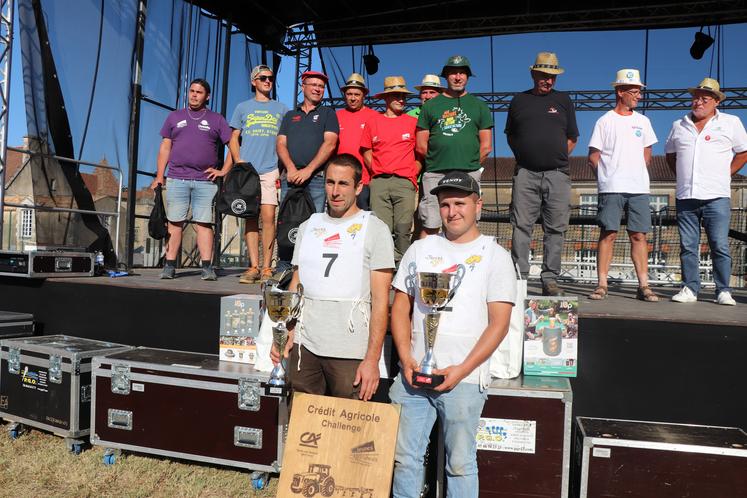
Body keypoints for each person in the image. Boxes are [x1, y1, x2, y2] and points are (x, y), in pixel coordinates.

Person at [389, 170, 516, 497]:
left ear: (478, 205)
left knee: (459, 463)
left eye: (460, 203)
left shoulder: (496, 256)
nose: (452, 211)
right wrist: (405, 359)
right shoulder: (420, 249)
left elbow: (498, 324)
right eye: (445, 204)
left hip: (465, 379)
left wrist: (462, 370)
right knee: (404, 458)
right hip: (414, 375)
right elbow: (400, 307)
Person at [271, 154, 395, 401]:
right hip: (306, 348)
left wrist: (372, 360)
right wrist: (286, 334)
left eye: (343, 184)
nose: (335, 191)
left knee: (349, 435)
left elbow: (381, 302)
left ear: (359, 187)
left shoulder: (375, 229)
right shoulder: (309, 226)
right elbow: (297, 286)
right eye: (330, 183)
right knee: (305, 430)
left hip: (350, 353)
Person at [665, 78, 747, 306]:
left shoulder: (731, 123)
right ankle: (690, 288)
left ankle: (723, 290)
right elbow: (671, 155)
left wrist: (726, 173)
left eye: (705, 98)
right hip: (686, 196)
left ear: (716, 102)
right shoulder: (678, 125)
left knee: (719, 244)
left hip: (717, 196)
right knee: (687, 246)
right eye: (696, 97)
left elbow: (743, 153)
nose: (698, 102)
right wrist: (682, 176)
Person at [505, 52, 579, 296]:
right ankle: (520, 278)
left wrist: (554, 157)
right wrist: (527, 157)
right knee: (521, 226)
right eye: (544, 76)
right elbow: (511, 136)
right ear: (533, 74)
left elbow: (572, 138)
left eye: (553, 77)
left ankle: (550, 279)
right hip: (526, 173)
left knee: (556, 228)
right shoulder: (518, 101)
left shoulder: (564, 101)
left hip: (557, 174)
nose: (548, 81)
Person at [587, 69, 659, 302]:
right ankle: (602, 284)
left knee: (639, 235)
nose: (638, 96)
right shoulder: (604, 120)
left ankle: (644, 286)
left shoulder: (643, 121)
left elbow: (648, 153)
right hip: (612, 187)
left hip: (639, 188)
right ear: (620, 92)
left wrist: (635, 172)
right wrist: (607, 177)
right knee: (608, 233)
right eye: (634, 92)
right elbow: (593, 155)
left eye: (639, 92)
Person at [151, 78, 232, 281]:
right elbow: (165, 147)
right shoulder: (174, 117)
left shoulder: (217, 119)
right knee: (174, 223)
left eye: (199, 92)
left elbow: (234, 146)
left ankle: (207, 267)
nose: (194, 95)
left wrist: (224, 171)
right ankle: (169, 265)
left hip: (205, 181)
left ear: (207, 96)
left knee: (204, 224)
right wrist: (160, 176)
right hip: (177, 178)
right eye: (192, 91)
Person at [416, 55, 493, 237]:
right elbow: (420, 145)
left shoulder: (479, 106)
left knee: (466, 223)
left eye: (462, 73)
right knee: (431, 224)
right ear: (446, 76)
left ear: (467, 76)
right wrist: (439, 161)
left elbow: (486, 146)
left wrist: (469, 164)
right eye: (453, 73)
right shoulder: (430, 106)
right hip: (435, 173)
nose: (458, 77)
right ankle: (427, 265)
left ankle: (466, 264)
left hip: (469, 173)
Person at [227, 64, 288, 284]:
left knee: (269, 217)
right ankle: (253, 266)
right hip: (247, 172)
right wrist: (238, 161)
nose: (267, 81)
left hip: (270, 170)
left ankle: (267, 267)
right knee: (250, 217)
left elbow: (285, 140)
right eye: (263, 78)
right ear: (253, 81)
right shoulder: (243, 107)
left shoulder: (281, 109)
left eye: (270, 78)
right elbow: (234, 137)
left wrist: (282, 167)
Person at [361, 76, 420, 262]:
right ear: (386, 98)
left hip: (404, 182)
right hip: (379, 182)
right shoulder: (373, 122)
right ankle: (383, 269)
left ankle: (402, 271)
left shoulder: (412, 122)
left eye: (403, 96)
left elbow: (420, 153)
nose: (401, 100)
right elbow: (366, 150)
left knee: (403, 229)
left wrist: (413, 171)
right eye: (396, 96)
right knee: (382, 229)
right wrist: (377, 169)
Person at [277, 71, 339, 214]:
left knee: (314, 225)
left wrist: (308, 170)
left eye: (321, 86)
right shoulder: (290, 115)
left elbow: (330, 143)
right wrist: (291, 168)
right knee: (288, 223)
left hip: (316, 178)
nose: (318, 89)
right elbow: (280, 144)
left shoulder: (328, 113)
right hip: (290, 177)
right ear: (302, 87)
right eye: (314, 85)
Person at [336, 73, 379, 209]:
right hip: (340, 178)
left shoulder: (374, 116)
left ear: (364, 95)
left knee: (363, 219)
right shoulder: (336, 116)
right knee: (340, 218)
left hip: (365, 179)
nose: (353, 98)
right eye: (349, 94)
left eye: (357, 94)